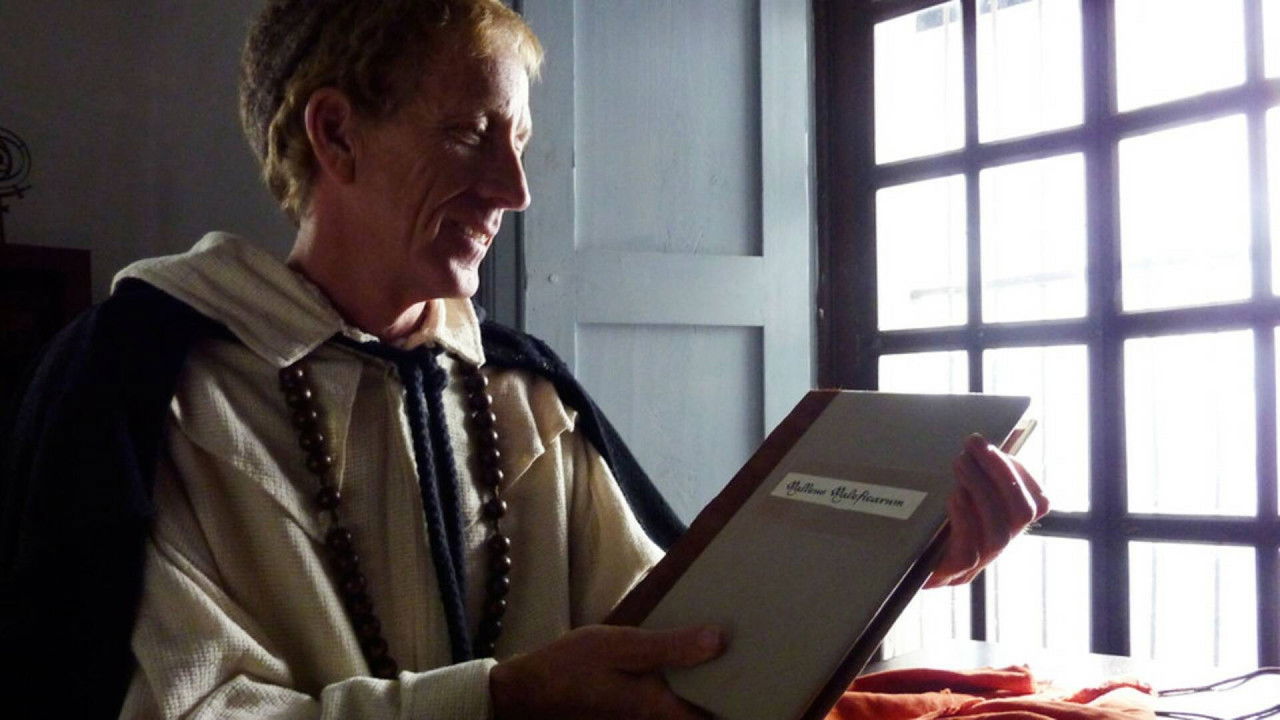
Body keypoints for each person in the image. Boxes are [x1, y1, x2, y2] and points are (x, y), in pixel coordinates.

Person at [0, 1, 1049, 718]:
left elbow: (682, 644)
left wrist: (896, 567)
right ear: (336, 133)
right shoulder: (149, 389)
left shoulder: (522, 391)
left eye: (521, 143)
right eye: (470, 135)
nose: (515, 190)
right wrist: (500, 701)